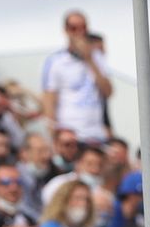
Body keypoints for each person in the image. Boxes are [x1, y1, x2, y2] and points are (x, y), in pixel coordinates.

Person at [40, 11, 112, 144]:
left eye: (83, 27)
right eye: (74, 28)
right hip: (70, 135)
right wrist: (53, 135)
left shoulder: (97, 58)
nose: (79, 32)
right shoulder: (55, 61)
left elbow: (107, 92)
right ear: (66, 30)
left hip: (95, 134)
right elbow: (49, 100)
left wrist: (89, 59)